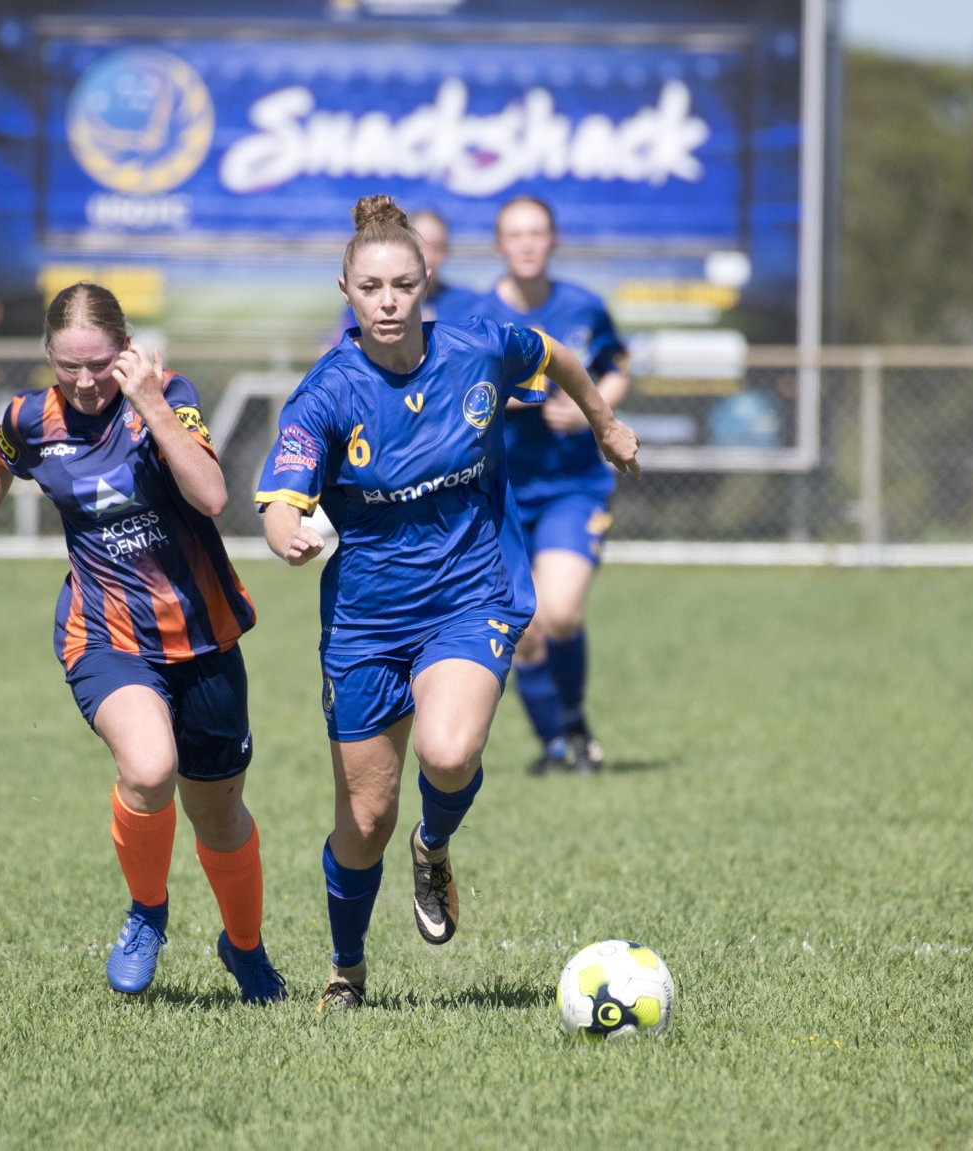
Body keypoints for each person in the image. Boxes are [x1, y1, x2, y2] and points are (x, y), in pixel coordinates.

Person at [256, 195, 640, 1011]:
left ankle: (434, 845)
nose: (388, 301)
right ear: (346, 291)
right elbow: (279, 496)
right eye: (371, 287)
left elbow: (562, 357)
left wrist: (604, 424)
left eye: (403, 283)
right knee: (364, 817)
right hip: (365, 621)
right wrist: (283, 527)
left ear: (427, 281)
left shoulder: (479, 344)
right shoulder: (325, 394)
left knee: (449, 748)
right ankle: (347, 970)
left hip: (472, 593)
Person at [0, 282, 286, 1005]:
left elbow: (213, 495)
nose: (88, 381)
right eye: (69, 367)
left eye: (101, 363)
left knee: (218, 813)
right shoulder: (31, 418)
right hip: (105, 635)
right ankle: (147, 911)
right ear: (49, 358)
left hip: (204, 635)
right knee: (150, 766)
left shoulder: (170, 395)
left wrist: (153, 404)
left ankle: (244, 948)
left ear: (127, 349)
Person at [471, 196, 631, 776]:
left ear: (554, 239)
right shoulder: (476, 314)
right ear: (499, 245)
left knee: (558, 612)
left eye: (538, 232)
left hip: (571, 486)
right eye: (515, 234)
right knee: (523, 625)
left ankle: (573, 723)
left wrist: (593, 409)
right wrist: (530, 397)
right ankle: (559, 744)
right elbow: (458, 391)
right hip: (499, 495)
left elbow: (615, 366)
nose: (527, 243)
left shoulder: (584, 306)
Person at [325, 208, 479, 347]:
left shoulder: (466, 302)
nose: (430, 256)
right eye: (422, 246)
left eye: (438, 248)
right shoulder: (365, 302)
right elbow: (335, 348)